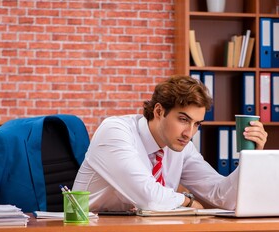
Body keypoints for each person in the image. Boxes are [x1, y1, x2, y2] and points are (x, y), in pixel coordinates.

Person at [73, 75, 268, 212]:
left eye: (196, 124)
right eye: (183, 120)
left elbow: (222, 197)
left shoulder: (181, 146)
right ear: (159, 111)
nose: (189, 133)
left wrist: (252, 158)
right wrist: (188, 201)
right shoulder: (115, 132)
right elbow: (149, 197)